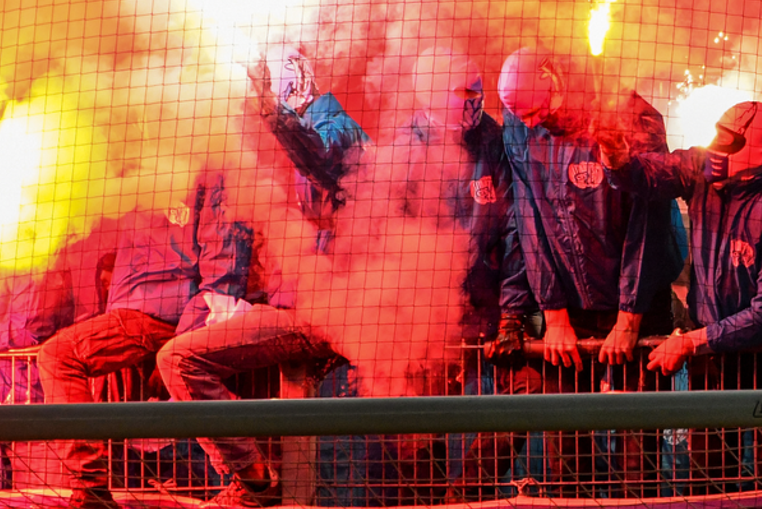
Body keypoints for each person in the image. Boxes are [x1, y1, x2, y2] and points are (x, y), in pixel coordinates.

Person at [156, 46, 519, 507]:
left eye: (477, 91)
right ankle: (257, 480)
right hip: (318, 309)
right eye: (461, 92)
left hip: (386, 322)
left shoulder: (347, 130)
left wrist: (505, 312)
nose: (472, 102)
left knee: (417, 445)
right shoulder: (259, 140)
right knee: (180, 359)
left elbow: (324, 159)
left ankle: (449, 498)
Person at [37, 172, 253, 509]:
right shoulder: (134, 168)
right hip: (137, 312)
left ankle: (91, 489)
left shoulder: (206, 169)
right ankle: (93, 488)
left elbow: (221, 267)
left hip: (162, 313)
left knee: (58, 355)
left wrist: (181, 343)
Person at [495, 47, 682, 371]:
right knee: (567, 416)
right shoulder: (518, 122)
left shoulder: (629, 116)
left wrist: (629, 319)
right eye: (523, 117)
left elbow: (648, 228)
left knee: (633, 417)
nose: (533, 122)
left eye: (538, 112)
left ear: (553, 82)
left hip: (638, 306)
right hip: (570, 309)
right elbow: (529, 218)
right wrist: (554, 315)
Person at [595, 101, 762, 374]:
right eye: (716, 134)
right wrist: (615, 151)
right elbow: (643, 177)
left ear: (758, 155)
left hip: (761, 361)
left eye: (727, 141)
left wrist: (690, 343)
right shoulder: (699, 168)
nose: (714, 147)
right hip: (706, 352)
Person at [248, 42, 369, 256]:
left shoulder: (339, 127)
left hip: (364, 259)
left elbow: (318, 154)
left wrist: (271, 105)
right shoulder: (313, 131)